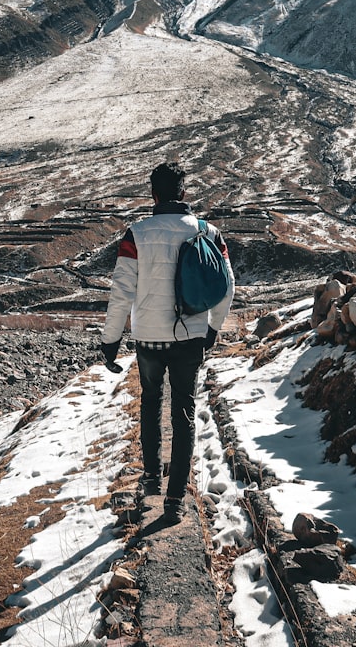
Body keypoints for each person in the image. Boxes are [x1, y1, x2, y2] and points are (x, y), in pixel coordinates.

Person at [100, 162, 235, 524]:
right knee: (184, 413)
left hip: (148, 338)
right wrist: (213, 329)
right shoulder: (210, 233)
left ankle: (150, 479)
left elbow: (121, 291)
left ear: (153, 195)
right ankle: (175, 498)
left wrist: (111, 339)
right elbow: (226, 287)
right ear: (185, 193)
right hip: (191, 337)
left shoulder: (136, 234)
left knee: (150, 402)